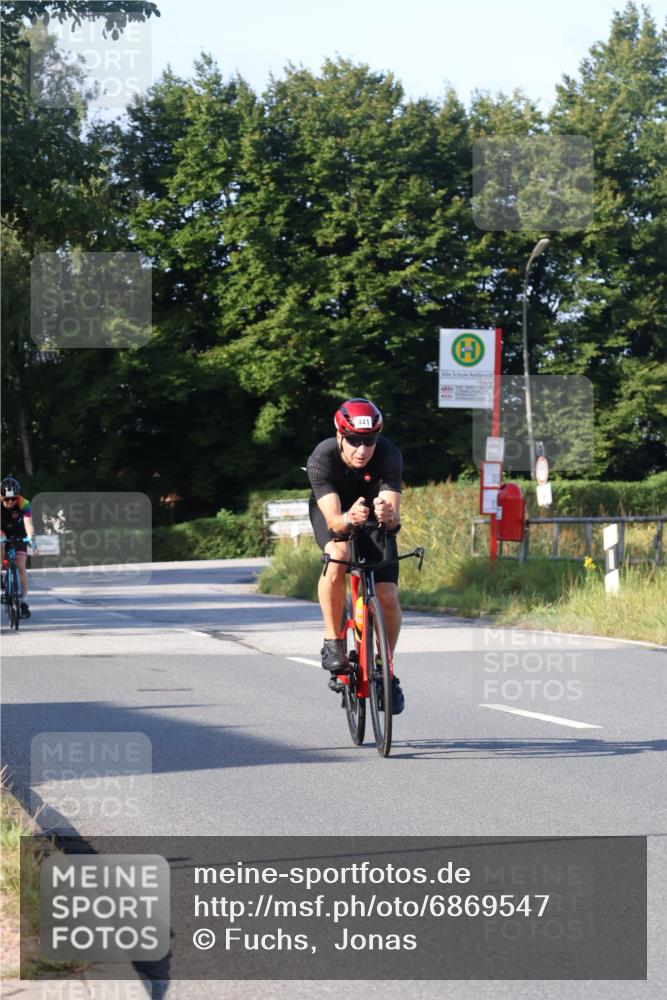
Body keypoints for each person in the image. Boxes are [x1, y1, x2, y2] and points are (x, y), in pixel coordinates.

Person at [306, 398, 405, 713]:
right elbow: (335, 521)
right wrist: (349, 519)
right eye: (354, 441)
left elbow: (393, 520)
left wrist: (387, 514)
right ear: (339, 436)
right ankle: (332, 641)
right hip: (336, 515)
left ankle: (384, 669)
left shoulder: (389, 454)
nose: (362, 450)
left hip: (373, 520)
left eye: (369, 441)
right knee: (338, 552)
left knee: (387, 595)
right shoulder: (322, 458)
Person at [1, 476, 38, 618]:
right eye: (6, 499)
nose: (10, 502)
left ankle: (23, 601)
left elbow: (28, 524)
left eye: (13, 499)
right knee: (1, 546)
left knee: (21, 566)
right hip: (2, 532)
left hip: (18, 533)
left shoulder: (24, 503)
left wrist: (31, 538)